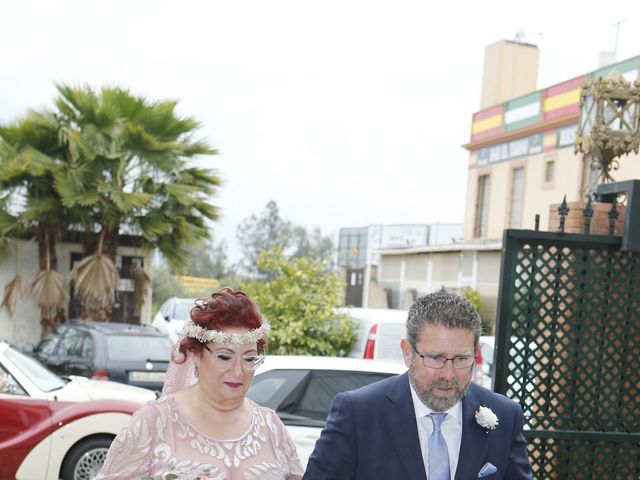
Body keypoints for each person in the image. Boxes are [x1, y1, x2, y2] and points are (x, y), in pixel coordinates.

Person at [303, 291, 532, 480]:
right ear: (407, 352)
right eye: (435, 358)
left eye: (462, 359)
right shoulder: (358, 413)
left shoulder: (505, 416)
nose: (448, 374)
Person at [98, 287, 303, 480]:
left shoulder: (271, 427)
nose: (239, 371)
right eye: (224, 357)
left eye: (249, 359)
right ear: (195, 354)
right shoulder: (153, 423)